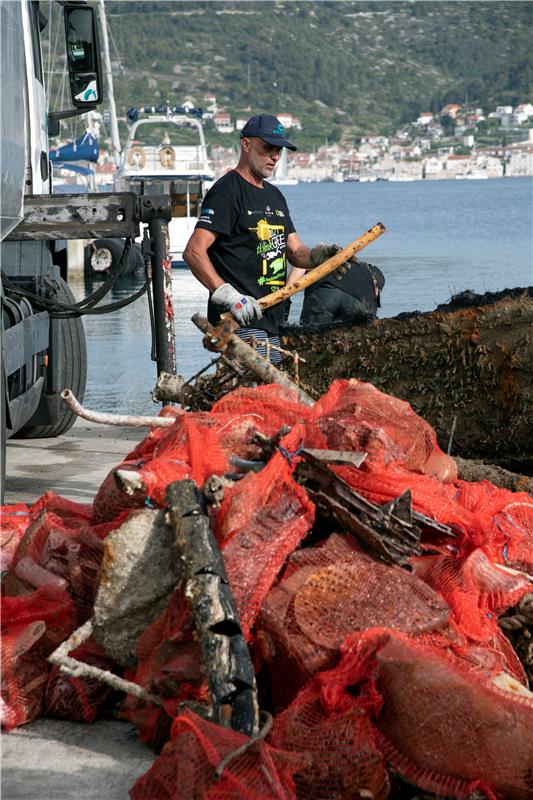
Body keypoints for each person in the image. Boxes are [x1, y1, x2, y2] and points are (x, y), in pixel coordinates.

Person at [182, 113, 345, 362]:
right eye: (267, 147)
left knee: (270, 395)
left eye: (278, 150)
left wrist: (319, 256)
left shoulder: (275, 196)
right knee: (254, 395)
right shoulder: (227, 191)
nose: (275, 156)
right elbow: (194, 252)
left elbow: (294, 252)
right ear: (246, 144)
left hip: (273, 321)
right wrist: (229, 296)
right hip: (238, 324)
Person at [299, 250, 385, 326]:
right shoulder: (369, 286)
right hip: (355, 300)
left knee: (309, 334)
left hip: (322, 290)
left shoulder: (349, 262)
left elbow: (302, 266)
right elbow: (371, 325)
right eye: (378, 294)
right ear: (375, 282)